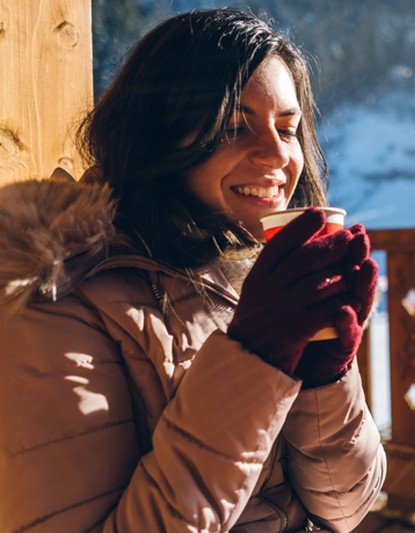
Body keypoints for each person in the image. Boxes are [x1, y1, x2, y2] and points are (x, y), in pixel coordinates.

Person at [0, 8, 385, 532]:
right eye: (233, 126)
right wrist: (256, 359)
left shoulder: (261, 278)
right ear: (158, 135)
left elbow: (345, 508)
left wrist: (327, 371)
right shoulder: (60, 301)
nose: (276, 155)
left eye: (288, 128)